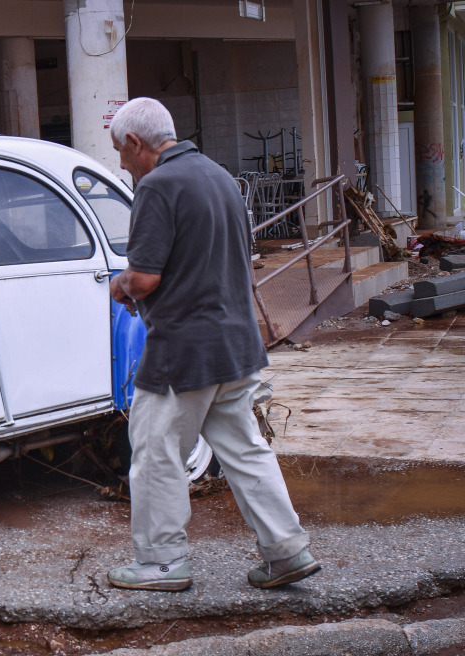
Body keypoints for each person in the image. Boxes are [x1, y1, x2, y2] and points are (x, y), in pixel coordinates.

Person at [105, 97, 320, 591]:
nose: (122, 164)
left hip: (183, 351)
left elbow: (146, 278)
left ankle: (160, 563)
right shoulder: (220, 176)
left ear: (137, 143)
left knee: (156, 453)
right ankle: (287, 550)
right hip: (236, 343)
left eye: (122, 152)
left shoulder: (157, 186)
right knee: (245, 450)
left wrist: (121, 284)